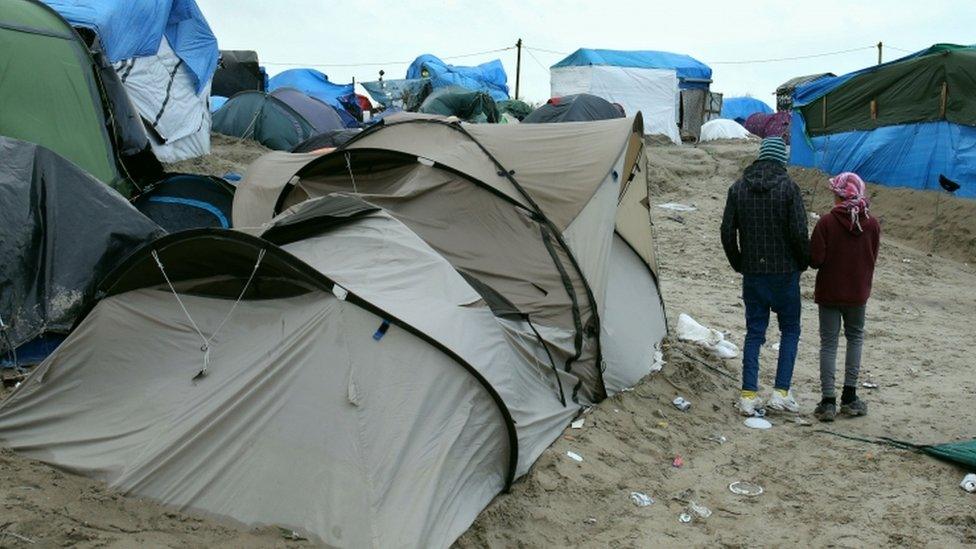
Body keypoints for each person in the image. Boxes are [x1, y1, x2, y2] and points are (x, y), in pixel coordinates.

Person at [721, 137, 809, 415]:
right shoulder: (789, 188)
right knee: (791, 330)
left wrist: (739, 262)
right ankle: (781, 392)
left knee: (755, 333)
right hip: (785, 273)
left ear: (760, 157)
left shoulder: (738, 188)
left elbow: (726, 231)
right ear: (781, 160)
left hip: (754, 273)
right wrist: (803, 262)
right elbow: (798, 232)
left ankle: (748, 395)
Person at [810, 172, 880, 421]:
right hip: (858, 293)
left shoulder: (826, 223)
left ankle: (828, 401)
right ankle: (849, 396)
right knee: (855, 339)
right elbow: (872, 256)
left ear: (839, 195)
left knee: (829, 344)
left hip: (829, 292)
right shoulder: (871, 223)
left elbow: (815, 260)